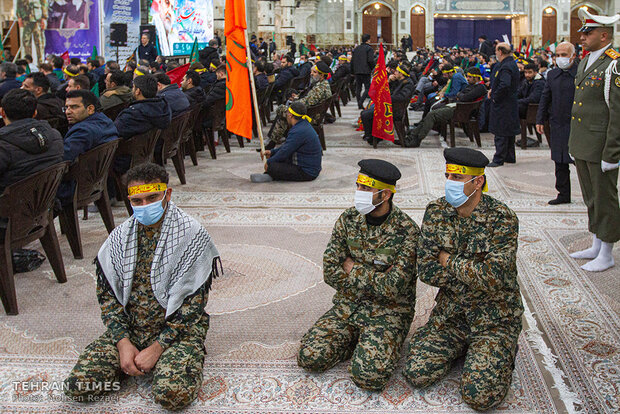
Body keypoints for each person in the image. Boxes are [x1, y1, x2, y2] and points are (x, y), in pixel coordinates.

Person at [64, 162, 221, 410]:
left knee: (172, 395)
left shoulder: (191, 235)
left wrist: (158, 348)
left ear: (167, 194)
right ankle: (129, 362)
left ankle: (182, 355)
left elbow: (193, 305)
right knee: (78, 387)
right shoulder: (119, 238)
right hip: (133, 327)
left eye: (152, 198)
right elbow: (108, 298)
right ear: (129, 201)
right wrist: (123, 342)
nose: (145, 206)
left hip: (177, 332)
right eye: (137, 201)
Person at [403, 147, 523, 411]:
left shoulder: (501, 219)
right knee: (416, 372)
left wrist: (448, 260)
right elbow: (427, 271)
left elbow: (494, 278)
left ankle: (499, 348)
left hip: (494, 318)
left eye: (457, 178)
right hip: (452, 314)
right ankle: (466, 350)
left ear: (477, 181)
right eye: (447, 176)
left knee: (480, 397)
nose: (449, 183)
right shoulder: (436, 212)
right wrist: (472, 273)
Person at [298, 159, 418, 390]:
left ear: (385, 195)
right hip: (348, 305)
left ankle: (373, 343)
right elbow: (330, 271)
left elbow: (392, 289)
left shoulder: (407, 232)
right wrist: (376, 278)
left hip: (389, 312)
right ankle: (357, 341)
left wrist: (353, 268)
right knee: (309, 358)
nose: (359, 193)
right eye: (358, 186)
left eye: (366, 188)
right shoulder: (348, 219)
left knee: (368, 377)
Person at [566, 9, 620, 272]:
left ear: (604, 34)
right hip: (583, 142)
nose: (583, 37)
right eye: (582, 33)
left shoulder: (614, 63)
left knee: (604, 197)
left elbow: (617, 113)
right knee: (591, 197)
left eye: (588, 33)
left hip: (601, 145)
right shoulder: (587, 61)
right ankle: (597, 243)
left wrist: (612, 153)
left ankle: (607, 251)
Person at [57, 90, 119, 204]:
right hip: (94, 181)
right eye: (66, 107)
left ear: (90, 109)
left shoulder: (83, 131)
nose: (68, 112)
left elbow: (62, 158)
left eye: (74, 107)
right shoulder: (105, 121)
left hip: (77, 187)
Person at [536, 42, 578, 205]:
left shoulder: (581, 73)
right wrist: (540, 119)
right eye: (557, 55)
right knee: (559, 161)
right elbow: (545, 98)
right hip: (557, 124)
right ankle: (563, 194)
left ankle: (591, 196)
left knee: (581, 163)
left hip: (577, 125)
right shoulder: (552, 74)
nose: (560, 59)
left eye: (564, 55)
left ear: (573, 56)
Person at [0, 89, 63, 195]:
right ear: (35, 113)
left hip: (10, 207)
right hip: (43, 203)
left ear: (2, 113)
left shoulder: (3, 145)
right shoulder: (55, 136)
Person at [405, 67, 487, 147]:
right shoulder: (471, 85)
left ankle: (417, 139)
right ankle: (413, 134)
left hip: (461, 111)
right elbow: (461, 94)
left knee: (432, 115)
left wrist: (460, 95)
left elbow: (463, 96)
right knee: (431, 112)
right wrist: (460, 95)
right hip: (457, 106)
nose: (467, 79)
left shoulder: (480, 87)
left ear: (476, 78)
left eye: (469, 77)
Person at [251, 101, 322, 183]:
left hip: (307, 172)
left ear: (290, 115)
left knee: (273, 166)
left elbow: (285, 151)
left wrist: (269, 163)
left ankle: (271, 175)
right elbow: (287, 147)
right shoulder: (303, 124)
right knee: (278, 159)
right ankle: (271, 174)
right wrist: (272, 152)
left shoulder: (298, 131)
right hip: (311, 167)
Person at [266, 61, 332, 149]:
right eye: (311, 71)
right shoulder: (322, 84)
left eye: (314, 72)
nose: (311, 74)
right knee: (284, 111)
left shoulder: (319, 88)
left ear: (322, 75)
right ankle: (274, 141)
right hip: (312, 113)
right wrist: (297, 98)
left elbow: (306, 103)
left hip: (311, 117)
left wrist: (294, 102)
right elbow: (308, 99)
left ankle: (273, 142)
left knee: (282, 110)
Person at [360, 63, 414, 145]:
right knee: (369, 109)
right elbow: (387, 90)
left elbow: (401, 97)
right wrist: (389, 81)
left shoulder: (407, 84)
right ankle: (375, 136)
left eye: (396, 71)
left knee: (365, 114)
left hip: (393, 110)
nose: (394, 73)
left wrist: (386, 99)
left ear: (401, 74)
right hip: (389, 106)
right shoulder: (399, 81)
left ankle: (370, 137)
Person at [488, 42, 520, 167]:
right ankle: (509, 156)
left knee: (500, 131)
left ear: (500, 52)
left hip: (503, 104)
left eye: (496, 51)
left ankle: (498, 158)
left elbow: (505, 84)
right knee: (508, 131)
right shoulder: (510, 64)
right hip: (509, 103)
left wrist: (495, 97)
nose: (496, 53)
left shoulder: (506, 66)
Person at [114, 74, 172, 140]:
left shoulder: (131, 115)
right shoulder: (163, 106)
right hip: (153, 147)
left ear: (137, 91)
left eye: (133, 87)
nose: (132, 90)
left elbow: (115, 132)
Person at [351, 34, 375, 109]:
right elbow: (370, 60)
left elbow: (352, 60)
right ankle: (361, 102)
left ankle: (359, 103)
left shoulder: (356, 48)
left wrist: (352, 70)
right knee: (367, 88)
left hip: (357, 71)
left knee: (358, 88)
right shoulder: (369, 49)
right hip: (366, 71)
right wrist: (373, 68)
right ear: (368, 40)